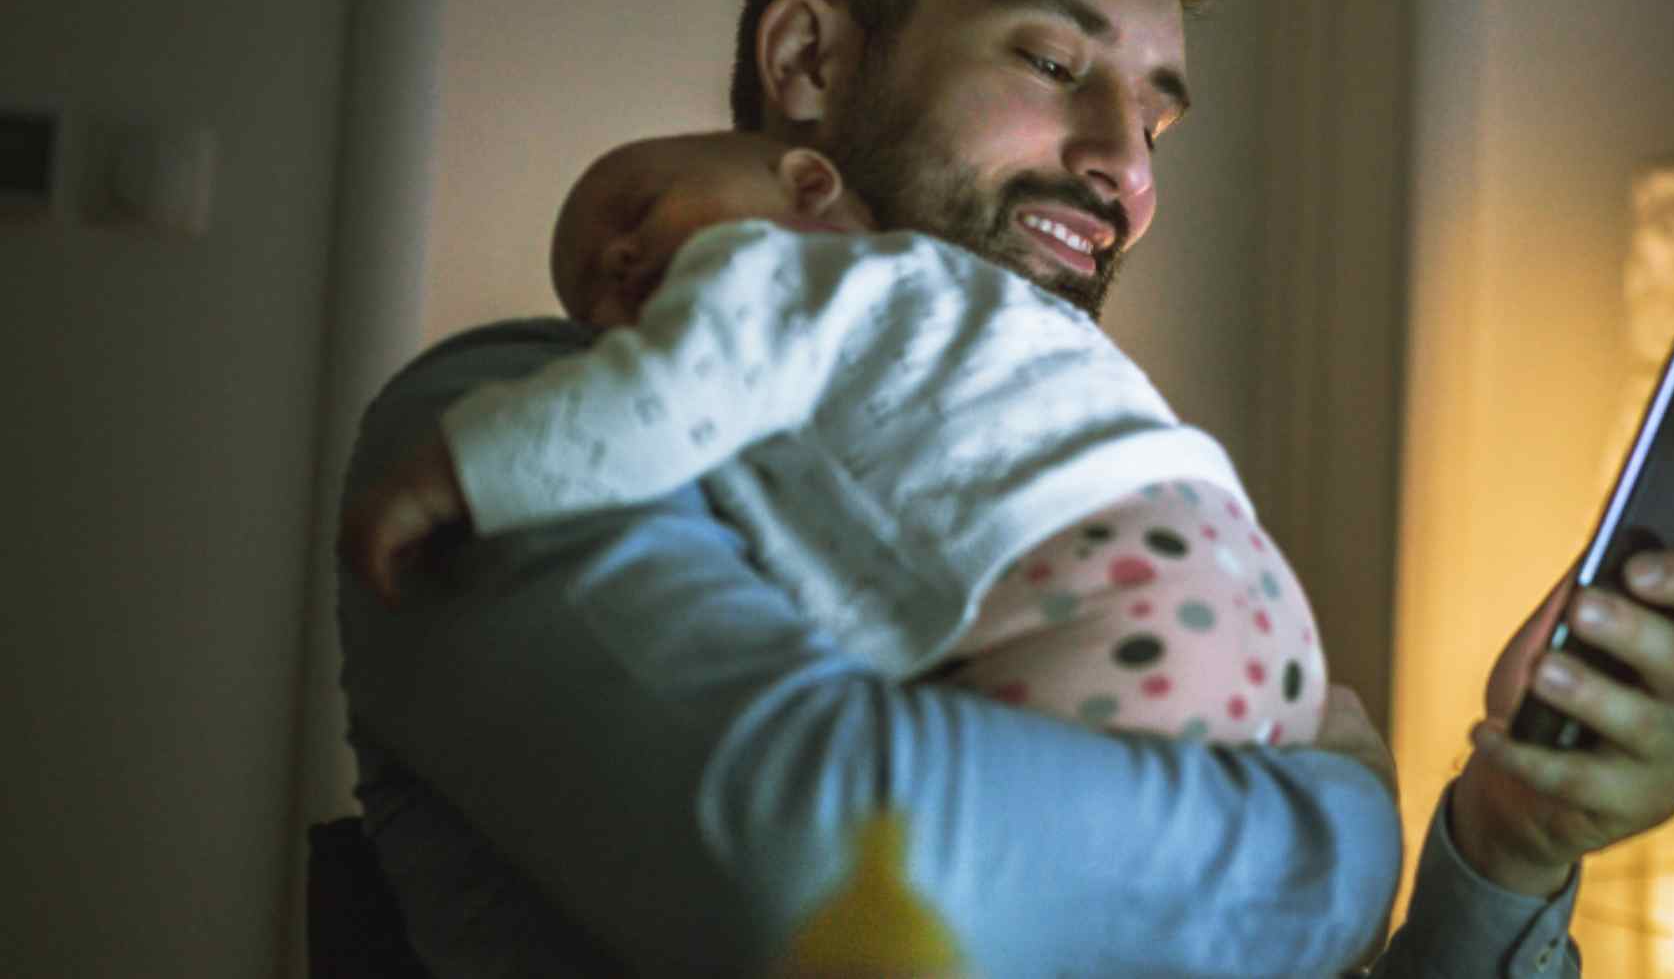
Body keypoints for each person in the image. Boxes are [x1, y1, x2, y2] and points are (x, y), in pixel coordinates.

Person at [337, 0, 1674, 976]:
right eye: (1054, 62)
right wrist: (1340, 821)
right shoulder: (507, 419)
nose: (1121, 169)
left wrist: (1505, 841)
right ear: (811, 62)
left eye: (1154, 117)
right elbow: (827, 868)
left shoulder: (1031, 509)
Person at [344, 130, 1329, 749]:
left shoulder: (769, 267)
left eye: (636, 217)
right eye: (593, 284)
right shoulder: (972, 312)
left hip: (1092, 591)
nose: (620, 258)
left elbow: (642, 404)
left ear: (806, 182)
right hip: (1252, 607)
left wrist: (453, 473)